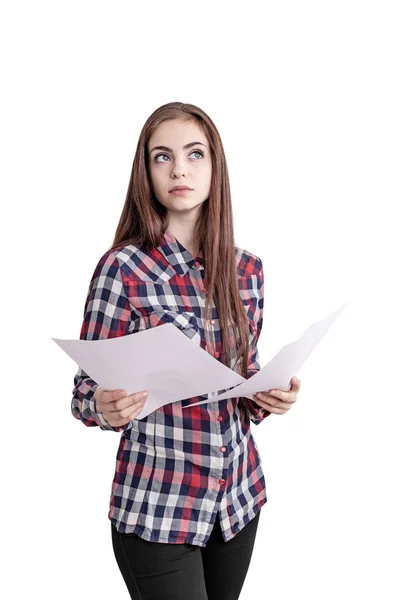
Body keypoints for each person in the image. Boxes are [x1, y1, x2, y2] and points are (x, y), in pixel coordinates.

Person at [71, 101, 301, 600]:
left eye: (195, 154)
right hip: (158, 508)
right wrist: (104, 406)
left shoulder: (248, 271)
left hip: (237, 502)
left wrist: (268, 395)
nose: (180, 168)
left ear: (215, 167)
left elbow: (244, 378)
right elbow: (84, 391)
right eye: (163, 157)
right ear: (146, 173)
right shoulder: (123, 269)